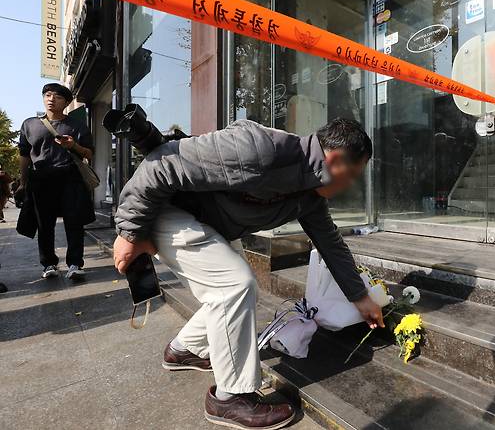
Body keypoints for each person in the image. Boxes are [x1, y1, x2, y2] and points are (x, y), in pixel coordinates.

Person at [112, 116, 384, 429]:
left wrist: (360, 297)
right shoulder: (261, 149)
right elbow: (161, 164)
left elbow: (331, 244)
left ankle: (183, 350)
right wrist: (130, 232)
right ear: (333, 161)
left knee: (238, 290)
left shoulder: (310, 197)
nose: (349, 186)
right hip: (165, 209)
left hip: (207, 222)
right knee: (233, 286)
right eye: (351, 176)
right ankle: (228, 399)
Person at [17, 83, 95, 280]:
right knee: (44, 224)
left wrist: (73, 145)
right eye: (48, 95)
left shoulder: (77, 125)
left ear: (67, 102)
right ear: (43, 98)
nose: (51, 99)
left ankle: (75, 264)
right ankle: (48, 264)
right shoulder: (29, 124)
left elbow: (89, 154)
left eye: (58, 97)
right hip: (40, 179)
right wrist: (23, 182)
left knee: (74, 222)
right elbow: (24, 155)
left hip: (70, 177)